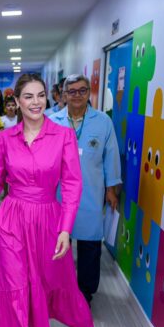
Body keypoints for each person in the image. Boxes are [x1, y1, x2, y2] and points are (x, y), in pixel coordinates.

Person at [0, 73, 93, 327]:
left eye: (41, 95)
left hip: (48, 218)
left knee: (42, 278)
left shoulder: (63, 135)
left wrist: (66, 229)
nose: (36, 102)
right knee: (13, 284)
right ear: (16, 101)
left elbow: (72, 184)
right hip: (12, 219)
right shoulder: (3, 139)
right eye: (28, 96)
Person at [49, 74, 122, 304]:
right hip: (58, 192)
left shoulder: (103, 122)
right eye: (72, 91)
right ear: (64, 95)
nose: (77, 95)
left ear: (89, 92)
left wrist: (111, 189)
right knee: (59, 242)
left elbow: (111, 156)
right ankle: (59, 289)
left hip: (90, 190)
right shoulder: (52, 120)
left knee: (90, 243)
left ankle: (85, 294)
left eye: (82, 90)